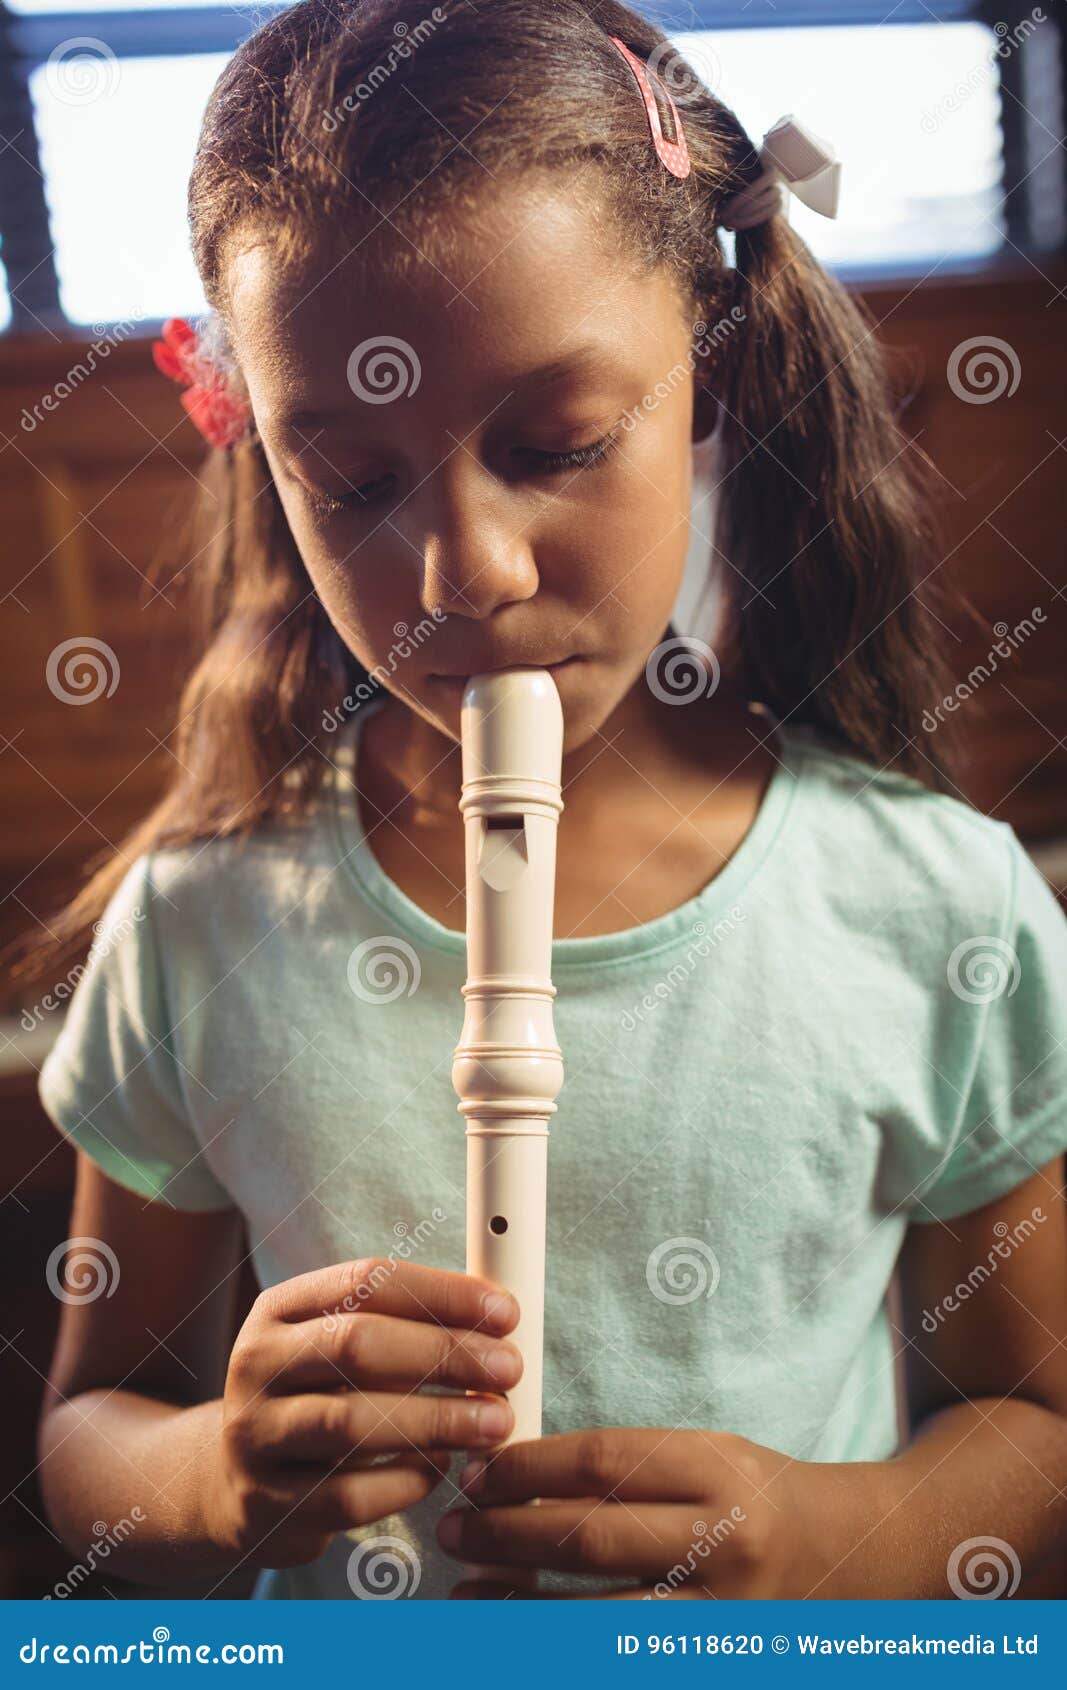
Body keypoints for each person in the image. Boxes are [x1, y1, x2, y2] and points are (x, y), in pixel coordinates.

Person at [23, 0, 1067, 1601]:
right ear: (268, 460)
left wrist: (835, 1536)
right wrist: (216, 1471)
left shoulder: (940, 908)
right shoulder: (201, 919)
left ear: (707, 379)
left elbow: (1034, 1411)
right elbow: (91, 1423)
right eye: (356, 481)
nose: (468, 573)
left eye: (556, 441)